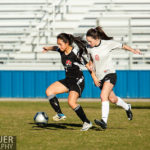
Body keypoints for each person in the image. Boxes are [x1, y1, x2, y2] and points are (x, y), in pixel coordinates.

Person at [85, 26, 141, 129]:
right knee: (113, 99)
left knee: (103, 96)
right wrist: (92, 72)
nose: (88, 43)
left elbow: (122, 46)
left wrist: (133, 51)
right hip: (99, 77)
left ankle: (104, 121)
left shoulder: (107, 44)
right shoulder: (89, 48)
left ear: (96, 38)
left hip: (110, 74)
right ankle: (127, 107)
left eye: (90, 41)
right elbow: (90, 61)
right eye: (87, 41)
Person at [42, 33, 97, 131]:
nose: (59, 46)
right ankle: (60, 114)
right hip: (68, 80)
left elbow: (88, 66)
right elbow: (55, 48)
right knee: (49, 91)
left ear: (67, 43)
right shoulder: (61, 50)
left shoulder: (75, 53)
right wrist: (47, 48)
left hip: (77, 80)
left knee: (71, 102)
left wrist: (95, 79)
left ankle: (87, 122)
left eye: (61, 44)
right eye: (58, 44)